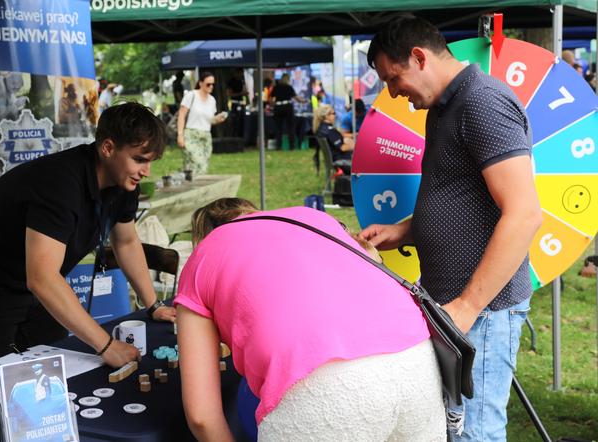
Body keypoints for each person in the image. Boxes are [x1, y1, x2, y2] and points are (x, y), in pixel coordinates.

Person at [360, 15, 542, 441]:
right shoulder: (443, 107)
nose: (392, 92)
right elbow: (460, 191)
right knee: (452, 430)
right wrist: (406, 229)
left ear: (419, 57)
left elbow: (524, 213)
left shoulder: (483, 103)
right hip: (454, 306)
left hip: (483, 311)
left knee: (473, 433)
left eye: (393, 77)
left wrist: (467, 306)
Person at [175, 198, 446, 441]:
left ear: (202, 236)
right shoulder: (313, 218)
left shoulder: (203, 256)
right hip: (416, 367)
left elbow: (202, 417)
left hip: (327, 391)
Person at [0, 103, 176, 371]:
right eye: (139, 159)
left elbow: (126, 241)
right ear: (108, 148)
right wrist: (107, 345)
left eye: (150, 161)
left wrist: (153, 305)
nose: (146, 171)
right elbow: (42, 279)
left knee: (55, 372)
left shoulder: (124, 182)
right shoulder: (60, 183)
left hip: (34, 284)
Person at [176, 72, 227, 175]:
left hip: (206, 136)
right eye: (208, 84)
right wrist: (180, 135)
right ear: (200, 83)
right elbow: (181, 115)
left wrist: (218, 119)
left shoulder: (212, 100)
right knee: (199, 164)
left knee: (198, 166)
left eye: (213, 84)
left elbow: (210, 120)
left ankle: (187, 183)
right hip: (191, 135)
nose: (211, 86)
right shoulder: (191, 95)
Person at [270, 74, 306, 150]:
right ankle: (291, 146)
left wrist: (273, 106)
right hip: (287, 107)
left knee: (278, 128)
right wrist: (303, 101)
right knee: (291, 127)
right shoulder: (289, 87)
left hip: (278, 107)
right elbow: (296, 98)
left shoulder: (276, 87)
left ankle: (278, 146)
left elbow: (271, 99)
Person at [314, 104, 353, 173]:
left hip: (334, 160)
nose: (335, 115)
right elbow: (343, 148)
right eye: (333, 113)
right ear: (327, 116)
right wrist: (355, 145)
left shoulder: (320, 129)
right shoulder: (330, 130)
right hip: (342, 162)